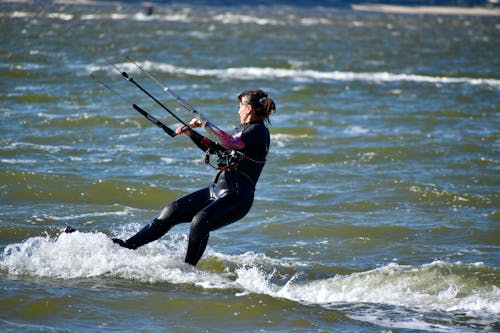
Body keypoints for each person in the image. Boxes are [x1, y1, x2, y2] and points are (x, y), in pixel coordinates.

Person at [112, 89, 276, 266]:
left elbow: (229, 142)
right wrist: (192, 134)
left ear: (249, 108)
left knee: (200, 221)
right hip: (218, 190)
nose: (238, 111)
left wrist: (206, 124)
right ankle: (128, 245)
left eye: (240, 107)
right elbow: (218, 149)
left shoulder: (258, 131)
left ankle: (188, 268)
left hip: (237, 197)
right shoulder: (243, 130)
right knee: (172, 210)